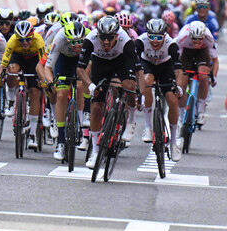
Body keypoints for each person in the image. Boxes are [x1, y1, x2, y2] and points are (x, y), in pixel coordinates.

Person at [76, 16, 141, 169]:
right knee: (96, 107)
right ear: (98, 35)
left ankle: (131, 120)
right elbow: (80, 69)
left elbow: (139, 70)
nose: (106, 41)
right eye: (103, 37)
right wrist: (91, 86)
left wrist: (140, 94)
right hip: (101, 63)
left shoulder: (126, 42)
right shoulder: (90, 39)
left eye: (110, 38)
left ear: (116, 36)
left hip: (121, 61)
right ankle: (96, 151)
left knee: (129, 86)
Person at [135, 18, 183, 161]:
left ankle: (174, 143)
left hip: (165, 67)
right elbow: (133, 65)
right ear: (147, 35)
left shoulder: (171, 44)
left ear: (164, 36)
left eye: (158, 37)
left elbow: (179, 69)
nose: (155, 41)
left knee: (172, 101)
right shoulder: (140, 41)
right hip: (147, 64)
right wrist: (139, 91)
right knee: (147, 81)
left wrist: (179, 87)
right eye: (152, 37)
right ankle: (148, 127)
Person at [43, 21, 89, 160]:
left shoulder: (90, 36)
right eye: (73, 42)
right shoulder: (59, 39)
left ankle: (83, 120)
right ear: (66, 39)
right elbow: (48, 68)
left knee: (81, 86)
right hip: (63, 60)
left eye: (79, 42)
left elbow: (94, 63)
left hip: (82, 60)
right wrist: (51, 83)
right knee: (61, 95)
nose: (77, 45)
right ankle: (61, 142)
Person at [0, 20, 45, 148]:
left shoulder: (39, 41)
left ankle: (33, 134)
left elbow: (43, 65)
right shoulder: (12, 40)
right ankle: (12, 101)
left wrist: (43, 80)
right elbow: (3, 64)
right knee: (12, 70)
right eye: (21, 40)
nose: (24, 42)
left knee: (35, 92)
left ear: (32, 36)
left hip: (34, 61)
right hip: (17, 57)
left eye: (27, 39)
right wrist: (1, 76)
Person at [176, 21, 218, 126]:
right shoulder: (182, 38)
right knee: (182, 84)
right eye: (194, 39)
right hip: (186, 52)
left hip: (202, 52)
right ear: (190, 36)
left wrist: (214, 77)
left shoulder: (209, 38)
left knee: (203, 76)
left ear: (203, 37)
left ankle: (201, 112)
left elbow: (215, 60)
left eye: (200, 39)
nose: (197, 42)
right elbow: (176, 60)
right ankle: (181, 115)